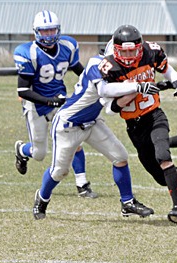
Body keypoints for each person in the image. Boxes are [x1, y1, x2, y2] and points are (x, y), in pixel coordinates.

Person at [32, 43, 154, 220]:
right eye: (123, 53)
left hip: (92, 122)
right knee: (59, 172)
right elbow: (104, 90)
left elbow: (111, 108)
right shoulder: (95, 64)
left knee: (120, 156)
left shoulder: (118, 71)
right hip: (68, 125)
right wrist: (136, 87)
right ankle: (42, 198)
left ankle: (127, 203)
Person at [97, 25, 177, 228]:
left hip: (154, 116)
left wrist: (175, 80)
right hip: (134, 127)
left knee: (163, 157)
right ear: (115, 51)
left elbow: (168, 70)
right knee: (161, 178)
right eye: (123, 51)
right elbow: (110, 108)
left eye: (132, 50)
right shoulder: (110, 69)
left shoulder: (150, 52)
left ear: (140, 47)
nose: (128, 55)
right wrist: (134, 90)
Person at [13, 10, 96, 198]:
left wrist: (93, 83)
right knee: (39, 153)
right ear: (36, 32)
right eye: (45, 31)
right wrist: (48, 101)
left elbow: (78, 70)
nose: (49, 35)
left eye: (52, 31)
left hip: (60, 99)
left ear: (58, 30)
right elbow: (23, 90)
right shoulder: (27, 53)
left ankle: (82, 184)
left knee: (74, 140)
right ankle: (21, 149)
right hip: (36, 104)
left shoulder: (68, 45)